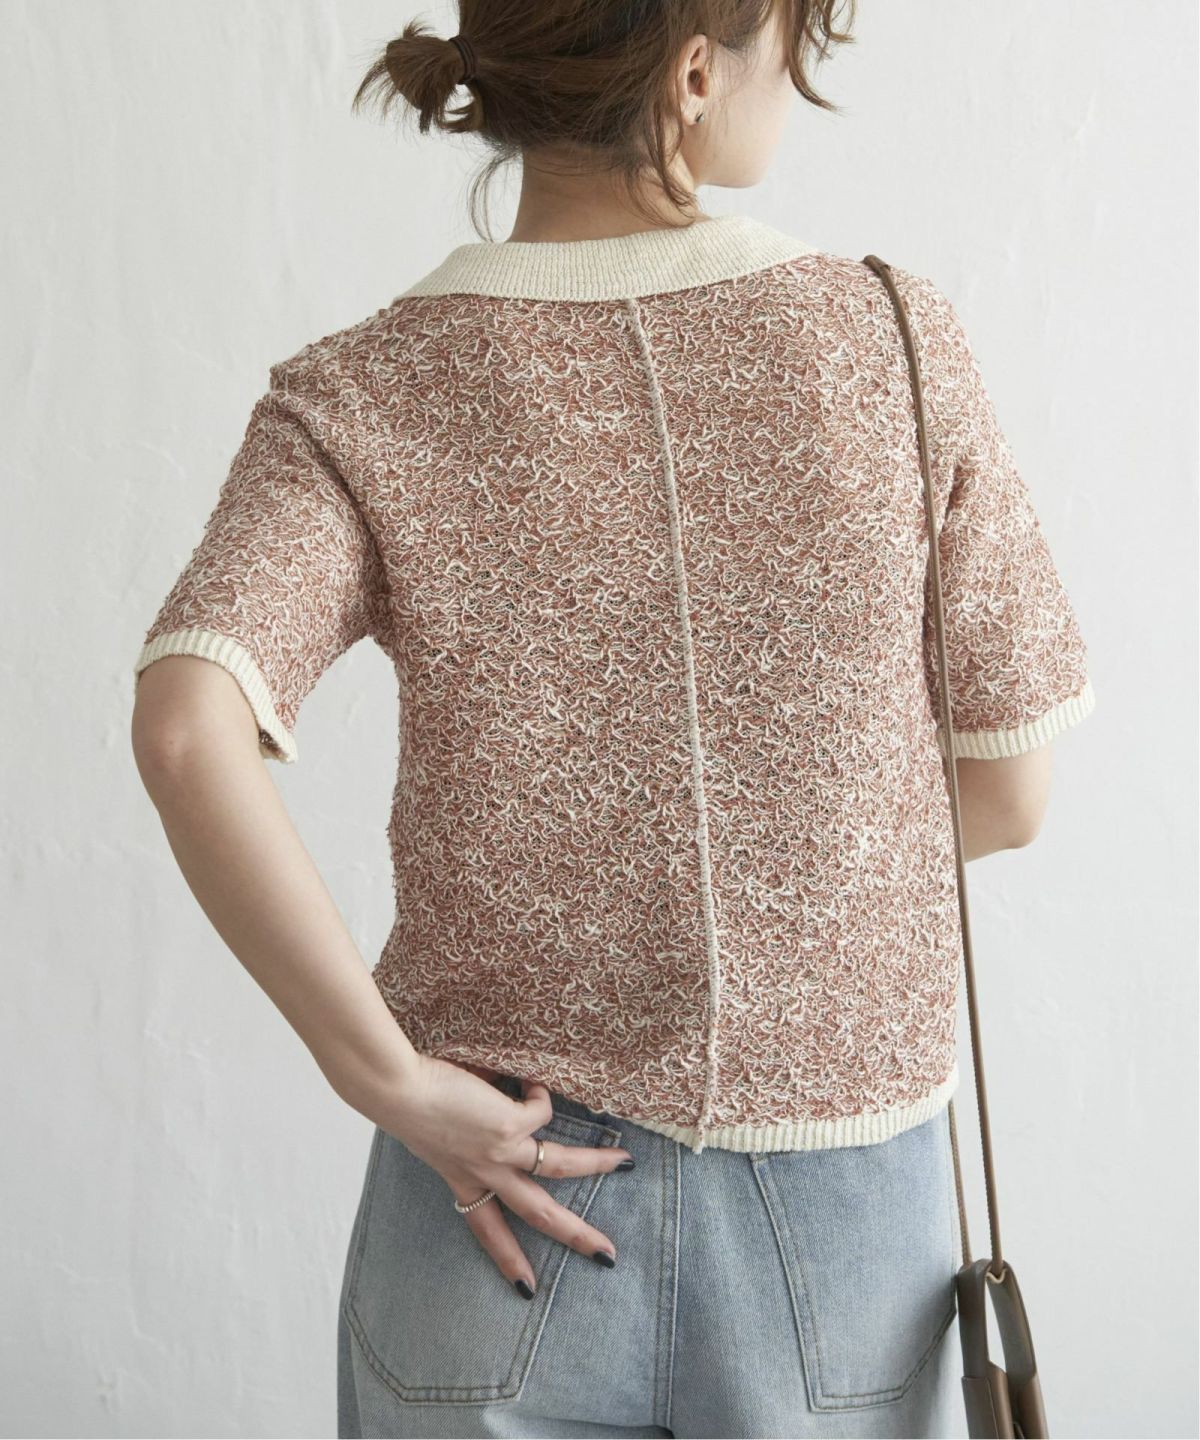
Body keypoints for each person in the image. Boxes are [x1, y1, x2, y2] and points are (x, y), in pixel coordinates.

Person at [129, 3, 1096, 1437]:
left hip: (493, 1197)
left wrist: (383, 1077)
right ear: (696, 70)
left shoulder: (362, 390)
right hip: (836, 1224)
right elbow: (1010, 792)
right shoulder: (890, 343)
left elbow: (186, 729)